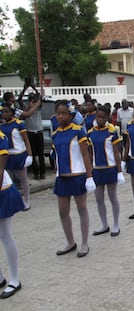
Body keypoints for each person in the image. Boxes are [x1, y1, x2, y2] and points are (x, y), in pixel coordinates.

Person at [52, 100, 96, 258]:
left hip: (78, 176)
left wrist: (89, 177)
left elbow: (85, 155)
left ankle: (84, 243)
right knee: (62, 212)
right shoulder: (55, 134)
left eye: (64, 113)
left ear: (70, 115)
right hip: (62, 178)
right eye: (58, 113)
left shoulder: (78, 131)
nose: (61, 116)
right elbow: (56, 156)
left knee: (82, 209)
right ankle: (70, 242)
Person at [88, 105, 124, 236]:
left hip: (110, 168)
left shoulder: (112, 131)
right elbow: (90, 153)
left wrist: (119, 171)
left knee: (112, 196)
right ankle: (104, 224)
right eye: (98, 116)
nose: (100, 119)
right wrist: (89, 172)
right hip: (97, 169)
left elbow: (116, 152)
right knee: (98, 198)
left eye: (103, 117)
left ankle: (116, 224)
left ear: (108, 117)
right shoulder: (90, 132)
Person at [0, 129, 25, 299]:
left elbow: (0, 172)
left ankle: (14, 280)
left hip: (2, 191)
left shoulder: (0, 138)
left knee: (5, 235)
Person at [0, 103, 33, 211]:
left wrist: (29, 155)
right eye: (3, 112)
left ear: (12, 112)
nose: (4, 114)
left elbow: (26, 140)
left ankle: (27, 200)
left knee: (23, 179)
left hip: (19, 154)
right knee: (8, 180)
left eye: (7, 111)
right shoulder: (2, 126)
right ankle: (11, 202)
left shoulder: (19, 124)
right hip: (7, 156)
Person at [17, 83, 46, 180]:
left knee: (41, 154)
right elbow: (19, 100)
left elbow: (40, 98)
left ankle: (43, 173)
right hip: (29, 132)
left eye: (33, 98)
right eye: (30, 98)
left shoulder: (38, 106)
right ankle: (36, 173)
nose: (32, 100)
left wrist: (34, 88)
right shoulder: (25, 107)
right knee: (32, 153)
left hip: (39, 131)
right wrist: (24, 89)